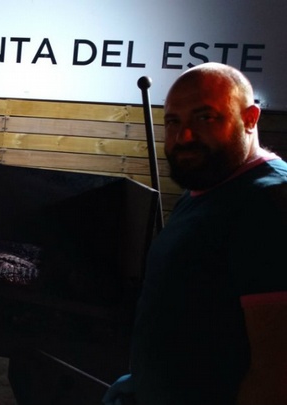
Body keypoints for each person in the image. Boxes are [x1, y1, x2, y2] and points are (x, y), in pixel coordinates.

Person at [103, 62, 287, 405]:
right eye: (173, 121)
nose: (183, 137)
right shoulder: (208, 188)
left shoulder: (269, 203)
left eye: (205, 117)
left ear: (250, 118)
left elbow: (277, 372)